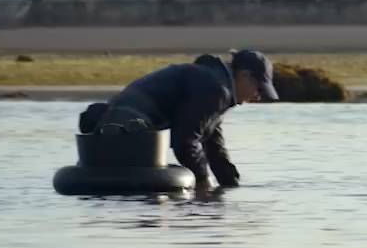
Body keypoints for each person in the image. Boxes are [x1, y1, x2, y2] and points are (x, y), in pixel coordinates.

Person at [79, 50, 279, 191]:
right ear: (244, 76)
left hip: (121, 123)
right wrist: (203, 182)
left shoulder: (214, 84)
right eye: (259, 89)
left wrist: (229, 184)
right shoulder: (216, 89)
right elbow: (185, 141)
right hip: (126, 126)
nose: (257, 97)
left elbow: (213, 144)